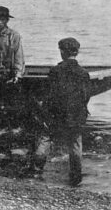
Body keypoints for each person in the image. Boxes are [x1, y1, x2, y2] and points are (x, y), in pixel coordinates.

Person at [33, 37, 91, 186]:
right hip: (76, 116)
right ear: (76, 52)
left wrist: (46, 113)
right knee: (75, 144)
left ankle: (37, 170)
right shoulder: (83, 73)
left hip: (57, 115)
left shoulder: (55, 71)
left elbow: (49, 95)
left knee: (45, 137)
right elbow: (86, 96)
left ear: (63, 52)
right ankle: (76, 178)